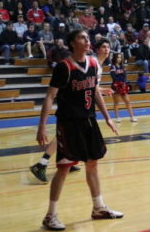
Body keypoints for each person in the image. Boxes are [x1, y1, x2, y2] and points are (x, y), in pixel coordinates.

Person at [35, 29, 121, 231]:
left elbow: (94, 92)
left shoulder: (93, 64)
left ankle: (98, 207)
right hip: (68, 122)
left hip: (89, 121)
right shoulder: (64, 67)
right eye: (82, 37)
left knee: (92, 163)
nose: (87, 41)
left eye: (88, 38)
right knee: (64, 167)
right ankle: (50, 215)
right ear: (73, 43)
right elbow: (49, 96)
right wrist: (41, 126)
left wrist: (107, 117)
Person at [30, 40, 110, 183]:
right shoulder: (92, 63)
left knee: (67, 136)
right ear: (96, 49)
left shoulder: (96, 65)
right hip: (74, 106)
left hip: (82, 107)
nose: (107, 49)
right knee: (65, 134)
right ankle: (42, 163)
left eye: (108, 47)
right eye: (104, 47)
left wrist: (102, 90)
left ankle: (69, 158)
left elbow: (91, 87)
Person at [109, 52, 138, 124]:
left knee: (128, 101)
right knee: (116, 103)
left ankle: (132, 117)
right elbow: (113, 77)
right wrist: (119, 84)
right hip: (116, 86)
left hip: (123, 86)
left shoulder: (123, 66)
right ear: (115, 58)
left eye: (120, 57)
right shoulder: (112, 67)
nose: (119, 59)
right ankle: (117, 117)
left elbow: (125, 76)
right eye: (118, 57)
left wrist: (124, 84)